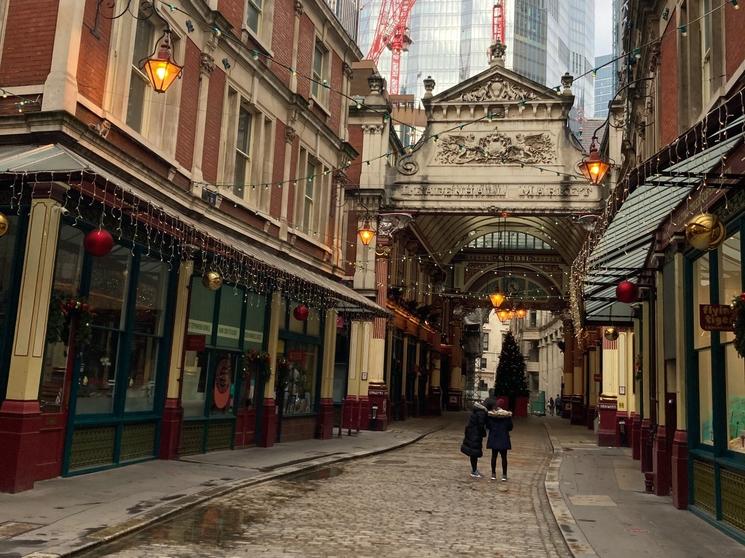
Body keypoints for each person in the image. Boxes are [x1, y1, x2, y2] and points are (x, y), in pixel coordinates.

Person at [486, 397, 513, 481]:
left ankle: (493, 474)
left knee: (494, 456)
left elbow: (488, 426)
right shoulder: (507, 416)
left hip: (494, 437)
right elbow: (510, 427)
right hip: (503, 438)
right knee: (504, 457)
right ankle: (504, 475)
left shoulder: (491, 415)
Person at [460, 401, 488, 478]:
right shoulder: (481, 413)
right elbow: (481, 425)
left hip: (471, 433)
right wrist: (483, 433)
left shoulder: (475, 411)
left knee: (473, 453)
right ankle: (474, 471)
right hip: (475, 435)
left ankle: (474, 470)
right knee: (474, 453)